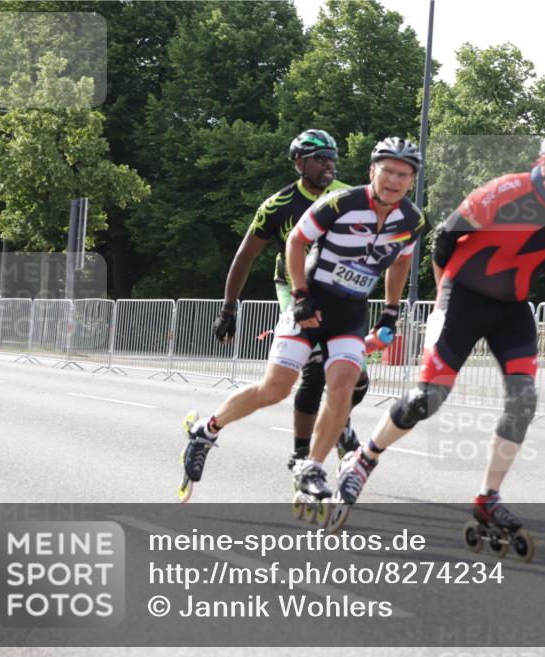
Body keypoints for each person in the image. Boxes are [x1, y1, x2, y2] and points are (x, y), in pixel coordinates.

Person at [333, 126, 545, 535]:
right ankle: (364, 458)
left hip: (511, 309)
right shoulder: (505, 192)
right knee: (427, 399)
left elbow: (540, 261)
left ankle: (488, 498)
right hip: (462, 299)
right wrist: (444, 296)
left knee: (523, 400)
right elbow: (445, 239)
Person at [180, 137, 425, 502]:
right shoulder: (340, 202)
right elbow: (295, 241)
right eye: (387, 170)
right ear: (372, 171)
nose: (393, 180)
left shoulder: (413, 219)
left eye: (403, 174)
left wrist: (391, 310)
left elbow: (402, 260)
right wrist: (300, 296)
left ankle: (311, 465)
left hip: (350, 313)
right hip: (312, 302)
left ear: (412, 179)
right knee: (275, 389)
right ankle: (207, 429)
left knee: (344, 386)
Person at [208, 129, 366, 472]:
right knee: (313, 369)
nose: (330, 165)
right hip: (292, 286)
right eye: (321, 159)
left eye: (333, 158)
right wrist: (228, 309)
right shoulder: (278, 205)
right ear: (300, 162)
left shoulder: (350, 196)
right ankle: (301, 454)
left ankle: (340, 424)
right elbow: (244, 257)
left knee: (360, 379)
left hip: (337, 288)